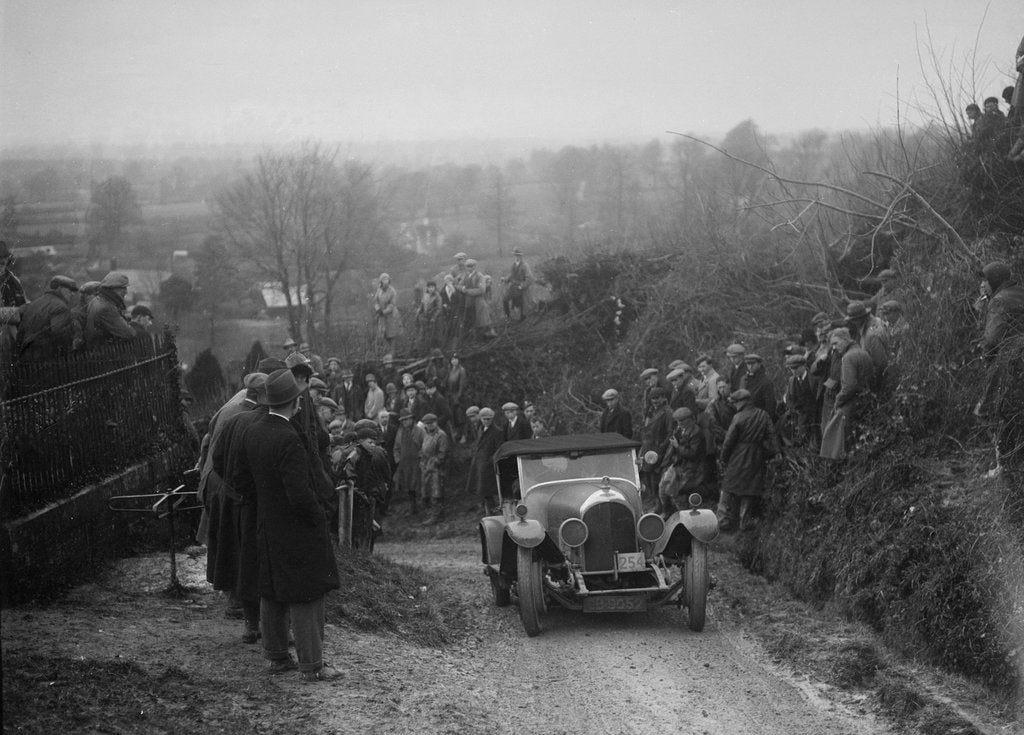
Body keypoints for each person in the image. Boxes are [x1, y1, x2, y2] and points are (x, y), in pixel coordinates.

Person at [242, 369, 340, 682]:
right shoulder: (289, 438)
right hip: (297, 530)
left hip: (267, 524)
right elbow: (301, 495)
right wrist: (318, 519)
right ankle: (312, 666)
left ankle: (277, 657)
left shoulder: (254, 429)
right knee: (307, 594)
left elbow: (243, 480)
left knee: (271, 589)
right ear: (295, 402)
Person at [208, 372, 268, 643]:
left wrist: (234, 486)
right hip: (256, 504)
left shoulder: (232, 419)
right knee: (258, 562)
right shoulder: (262, 422)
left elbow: (217, 460)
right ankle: (267, 626)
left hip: (233, 499)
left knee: (240, 560)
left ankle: (249, 623)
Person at [718, 389, 781, 532]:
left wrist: (723, 458)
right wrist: (777, 452)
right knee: (749, 490)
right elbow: (772, 434)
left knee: (728, 487)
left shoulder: (738, 417)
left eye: (735, 402)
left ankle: (722, 521)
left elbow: (728, 442)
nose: (734, 405)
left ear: (743, 402)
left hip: (738, 456)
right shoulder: (763, 415)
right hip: (756, 456)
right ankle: (744, 521)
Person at [658, 407, 707, 517]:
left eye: (682, 421)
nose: (679, 423)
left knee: (674, 491)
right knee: (662, 487)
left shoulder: (696, 433)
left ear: (690, 419)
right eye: (678, 421)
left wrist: (677, 446)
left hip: (691, 468)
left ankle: (685, 517)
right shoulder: (680, 429)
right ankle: (666, 512)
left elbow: (693, 454)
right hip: (678, 464)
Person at [17, 275, 80, 359]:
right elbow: (60, 335)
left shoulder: (35, 303)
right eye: (70, 290)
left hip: (25, 354)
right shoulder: (61, 307)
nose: (73, 294)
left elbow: (21, 331)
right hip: (46, 356)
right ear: (60, 288)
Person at [639, 387, 672, 513]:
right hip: (648, 450)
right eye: (652, 398)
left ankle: (662, 507)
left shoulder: (667, 412)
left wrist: (661, 449)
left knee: (656, 479)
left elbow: (670, 433)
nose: (655, 401)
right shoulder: (652, 411)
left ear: (664, 397)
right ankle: (655, 503)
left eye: (657, 398)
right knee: (649, 478)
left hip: (658, 451)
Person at [845, 301, 889, 390]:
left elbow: (882, 364)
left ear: (858, 319)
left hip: (885, 381)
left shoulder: (870, 336)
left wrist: (877, 387)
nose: (852, 323)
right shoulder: (876, 320)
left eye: (853, 320)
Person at [468, 407, 504, 514]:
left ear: (492, 419)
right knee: (483, 491)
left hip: (489, 466)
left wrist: (489, 461)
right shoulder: (480, 429)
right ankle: (487, 511)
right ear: (480, 419)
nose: (486, 421)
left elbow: (499, 449)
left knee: (490, 491)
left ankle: (493, 513)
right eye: (484, 419)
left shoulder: (497, 431)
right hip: (479, 463)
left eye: (489, 419)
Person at [86, 271, 135, 345]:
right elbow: (128, 334)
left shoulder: (96, 300)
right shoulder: (107, 307)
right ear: (113, 288)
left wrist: (123, 318)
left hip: (95, 348)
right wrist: (136, 326)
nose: (126, 291)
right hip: (105, 350)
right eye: (123, 288)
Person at [418, 413, 450, 524]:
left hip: (437, 469)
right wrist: (422, 461)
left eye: (431, 423)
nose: (429, 425)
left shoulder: (441, 435)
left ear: (436, 423)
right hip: (426, 467)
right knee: (426, 492)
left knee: (436, 493)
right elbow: (423, 449)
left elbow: (442, 453)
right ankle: (431, 515)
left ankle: (437, 516)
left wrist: (434, 462)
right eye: (427, 424)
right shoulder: (426, 434)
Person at [782, 353, 818, 448]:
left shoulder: (814, 379)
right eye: (791, 369)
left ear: (804, 366)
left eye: (796, 368)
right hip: (799, 415)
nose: (794, 371)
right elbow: (789, 398)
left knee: (815, 441)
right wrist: (793, 409)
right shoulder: (791, 380)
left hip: (814, 415)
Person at [393, 409, 424, 511]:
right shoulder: (400, 431)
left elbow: (424, 446)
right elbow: (396, 447)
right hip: (404, 463)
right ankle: (412, 505)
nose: (404, 422)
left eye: (406, 419)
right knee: (408, 484)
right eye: (403, 420)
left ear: (412, 419)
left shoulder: (419, 431)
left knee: (418, 483)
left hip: (416, 462)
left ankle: (422, 505)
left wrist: (421, 458)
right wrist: (398, 459)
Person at [458, 259, 497, 339]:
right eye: (468, 266)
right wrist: (462, 288)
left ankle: (489, 333)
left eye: (471, 266)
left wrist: (468, 291)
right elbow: (458, 286)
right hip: (468, 302)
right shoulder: (465, 276)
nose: (469, 268)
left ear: (475, 267)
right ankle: (472, 336)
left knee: (483, 319)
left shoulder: (479, 276)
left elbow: (482, 290)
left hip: (478, 301)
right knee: (469, 319)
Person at [740, 354, 776, 419]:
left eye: (753, 364)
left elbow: (770, 405)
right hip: (744, 417)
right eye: (748, 364)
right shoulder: (743, 379)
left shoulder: (766, 382)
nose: (750, 366)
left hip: (759, 418)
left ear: (759, 364)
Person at [502, 248, 534, 321]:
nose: (516, 257)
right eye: (515, 255)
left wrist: (522, 286)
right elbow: (511, 275)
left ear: (521, 256)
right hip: (513, 287)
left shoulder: (525, 265)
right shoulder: (513, 265)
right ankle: (508, 317)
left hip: (520, 287)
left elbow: (530, 278)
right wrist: (505, 279)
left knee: (521, 305)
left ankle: (521, 319)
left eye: (518, 255)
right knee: (505, 300)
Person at [373, 273, 401, 351]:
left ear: (389, 281)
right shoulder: (379, 290)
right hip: (381, 316)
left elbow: (392, 304)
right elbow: (375, 301)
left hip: (391, 316)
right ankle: (385, 352)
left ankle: (392, 353)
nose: (385, 281)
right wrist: (378, 309)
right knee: (382, 334)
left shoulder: (392, 291)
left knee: (391, 335)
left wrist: (384, 311)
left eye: (387, 279)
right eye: (384, 279)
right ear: (381, 281)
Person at [445, 352, 468, 439]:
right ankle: (457, 433)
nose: (454, 361)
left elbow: (462, 384)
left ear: (458, 360)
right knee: (453, 416)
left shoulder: (461, 370)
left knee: (461, 416)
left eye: (455, 359)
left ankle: (464, 435)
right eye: (452, 359)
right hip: (451, 396)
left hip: (459, 397)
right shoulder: (450, 370)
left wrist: (459, 396)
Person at [416, 281, 442, 347]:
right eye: (429, 287)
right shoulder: (425, 295)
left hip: (434, 319)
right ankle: (422, 348)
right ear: (427, 288)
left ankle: (433, 349)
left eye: (432, 287)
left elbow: (439, 309)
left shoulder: (437, 296)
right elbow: (422, 306)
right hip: (425, 318)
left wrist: (434, 317)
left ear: (435, 288)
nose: (431, 289)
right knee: (423, 334)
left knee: (433, 335)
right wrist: (419, 311)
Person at [0, 241, 26, 308]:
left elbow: (24, 303)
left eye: (5, 257)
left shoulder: (14, 279)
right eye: (0, 258)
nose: (3, 261)